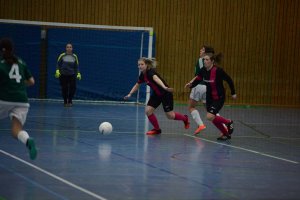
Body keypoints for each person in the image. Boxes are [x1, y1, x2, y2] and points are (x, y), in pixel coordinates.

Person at [124, 57, 190, 135]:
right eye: (138, 65)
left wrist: (164, 87)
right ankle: (157, 129)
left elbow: (156, 79)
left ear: (146, 65)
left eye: (142, 64)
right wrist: (130, 94)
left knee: (170, 116)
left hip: (165, 93)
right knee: (148, 111)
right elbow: (137, 85)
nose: (140, 66)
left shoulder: (150, 72)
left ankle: (185, 118)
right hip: (157, 94)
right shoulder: (142, 75)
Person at [0, 38, 37, 160]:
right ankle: (27, 140)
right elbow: (32, 81)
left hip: (4, 99)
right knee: (16, 130)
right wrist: (19, 85)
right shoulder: (20, 62)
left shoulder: (1, 62)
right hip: (22, 100)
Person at [185, 52, 236, 141]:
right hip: (209, 98)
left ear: (212, 61)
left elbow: (229, 80)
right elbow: (198, 79)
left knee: (209, 116)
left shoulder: (218, 71)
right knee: (212, 118)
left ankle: (228, 122)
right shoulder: (203, 70)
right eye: (204, 59)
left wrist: (233, 92)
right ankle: (226, 133)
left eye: (207, 59)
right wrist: (191, 85)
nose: (205, 61)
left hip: (219, 97)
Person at [188, 45, 215, 135]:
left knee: (191, 107)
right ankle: (224, 125)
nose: (200, 50)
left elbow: (199, 75)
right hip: (208, 87)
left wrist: (191, 82)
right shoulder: (211, 62)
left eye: (202, 49)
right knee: (210, 110)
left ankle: (200, 125)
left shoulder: (201, 60)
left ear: (206, 52)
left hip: (199, 86)